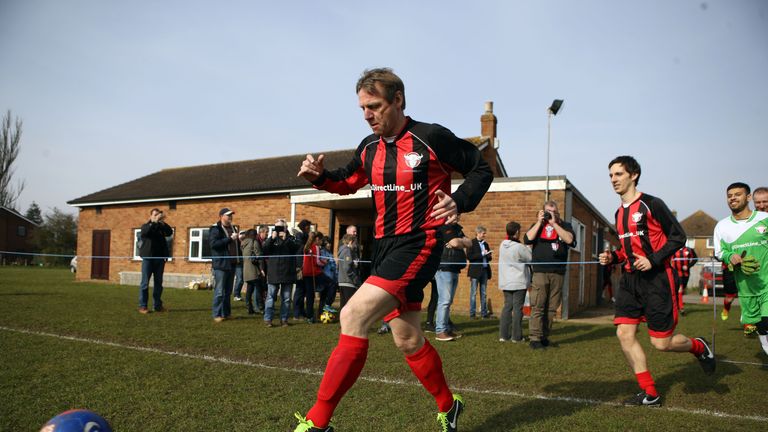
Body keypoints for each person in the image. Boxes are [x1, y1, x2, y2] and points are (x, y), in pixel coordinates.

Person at [293, 67, 492, 432]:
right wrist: (320, 177)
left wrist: (460, 200)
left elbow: (481, 169)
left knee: (352, 315)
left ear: (398, 100)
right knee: (407, 338)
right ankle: (449, 406)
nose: (367, 115)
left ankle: (317, 422)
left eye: (374, 106)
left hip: (420, 242)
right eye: (362, 108)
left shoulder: (431, 137)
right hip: (384, 247)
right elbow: (347, 180)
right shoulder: (368, 148)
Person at [598, 155, 715, 407]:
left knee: (661, 344)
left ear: (634, 175)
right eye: (610, 175)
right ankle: (650, 393)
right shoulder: (619, 213)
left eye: (618, 174)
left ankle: (698, 347)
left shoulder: (652, 204)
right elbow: (627, 250)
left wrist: (653, 259)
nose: (613, 180)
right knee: (624, 333)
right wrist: (613, 257)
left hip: (658, 279)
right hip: (630, 281)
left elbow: (678, 237)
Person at [713, 182, 768, 356]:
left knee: (766, 323)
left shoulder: (764, 218)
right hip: (746, 289)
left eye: (738, 194)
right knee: (761, 330)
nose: (733, 198)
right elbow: (719, 251)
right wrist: (730, 256)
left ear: (748, 197)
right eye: (729, 196)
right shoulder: (722, 226)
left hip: (766, 284)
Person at [524, 200, 576, 349]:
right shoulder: (538, 225)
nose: (550, 214)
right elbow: (527, 239)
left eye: (553, 212)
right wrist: (539, 222)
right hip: (540, 272)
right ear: (543, 212)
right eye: (547, 211)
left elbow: (570, 240)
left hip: (558, 273)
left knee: (552, 308)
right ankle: (534, 338)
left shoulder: (565, 225)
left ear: (558, 213)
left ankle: (544, 337)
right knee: (538, 306)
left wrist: (554, 224)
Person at [434, 221, 471, 342]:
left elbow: (470, 243)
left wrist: (459, 241)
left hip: (454, 268)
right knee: (444, 301)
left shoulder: (457, 229)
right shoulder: (444, 227)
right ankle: (440, 331)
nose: (458, 216)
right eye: (455, 214)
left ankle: (446, 328)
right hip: (444, 267)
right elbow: (455, 243)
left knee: (448, 301)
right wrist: (460, 242)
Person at [263, 219, 303, 327]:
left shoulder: (291, 238)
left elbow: (297, 249)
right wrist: (272, 239)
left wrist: (286, 239)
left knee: (286, 298)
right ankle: (268, 319)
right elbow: (265, 250)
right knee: (271, 297)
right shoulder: (271, 238)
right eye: (277, 227)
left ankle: (284, 319)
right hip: (274, 272)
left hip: (288, 272)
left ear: (286, 228)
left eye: (281, 227)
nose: (279, 229)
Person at [498, 221, 532, 343]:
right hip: (518, 281)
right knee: (518, 309)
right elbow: (530, 258)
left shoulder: (502, 244)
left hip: (506, 281)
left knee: (507, 307)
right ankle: (516, 337)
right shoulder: (519, 247)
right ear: (517, 232)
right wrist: (529, 248)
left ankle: (504, 335)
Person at [209, 208, 244, 323]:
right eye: (228, 215)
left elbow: (234, 245)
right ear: (221, 216)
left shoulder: (233, 228)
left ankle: (226, 313)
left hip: (232, 263)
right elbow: (214, 244)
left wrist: (239, 240)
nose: (230, 217)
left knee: (228, 292)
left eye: (231, 215)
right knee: (219, 291)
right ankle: (217, 314)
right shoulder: (215, 229)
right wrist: (229, 239)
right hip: (221, 264)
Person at [138, 208, 173, 314]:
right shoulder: (145, 226)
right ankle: (143, 306)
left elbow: (169, 232)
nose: (157, 216)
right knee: (145, 283)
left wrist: (162, 222)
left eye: (158, 214)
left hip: (159, 259)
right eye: (155, 214)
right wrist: (154, 222)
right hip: (148, 259)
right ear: (151, 216)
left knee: (158, 283)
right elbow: (146, 232)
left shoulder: (160, 227)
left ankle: (157, 306)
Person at [467, 225, 492, 319]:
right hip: (475, 271)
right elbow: (469, 256)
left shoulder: (486, 244)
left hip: (485, 270)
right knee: (473, 293)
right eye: (483, 233)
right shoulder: (471, 243)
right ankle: (472, 314)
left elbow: (489, 258)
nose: (484, 235)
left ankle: (484, 313)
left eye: (485, 233)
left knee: (484, 293)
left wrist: (488, 255)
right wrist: (482, 254)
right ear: (478, 233)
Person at [241, 227, 266, 315]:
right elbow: (259, 256)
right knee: (259, 289)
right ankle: (261, 307)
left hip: (246, 270)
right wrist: (262, 269)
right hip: (254, 270)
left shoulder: (243, 243)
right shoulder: (254, 242)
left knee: (249, 290)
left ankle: (249, 308)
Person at [670, 246, 698, 316]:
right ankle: (681, 308)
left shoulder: (689, 250)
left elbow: (695, 259)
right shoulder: (673, 249)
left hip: (686, 274)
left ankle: (676, 306)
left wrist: (688, 266)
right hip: (677, 274)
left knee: (681, 291)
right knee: (680, 289)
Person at [337, 234, 361, 310]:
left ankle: (342, 317)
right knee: (349, 305)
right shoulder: (347, 251)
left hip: (342, 280)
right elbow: (346, 267)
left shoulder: (342, 250)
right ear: (351, 242)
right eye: (355, 243)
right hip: (348, 281)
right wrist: (354, 278)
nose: (355, 245)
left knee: (343, 305)